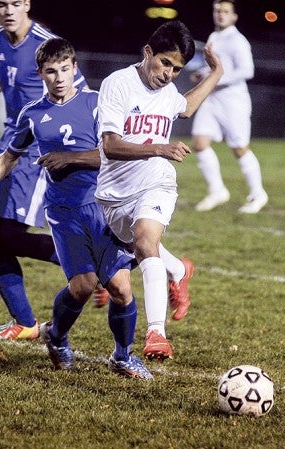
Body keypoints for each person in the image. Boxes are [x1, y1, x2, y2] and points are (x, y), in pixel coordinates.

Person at [0, 37, 153, 380]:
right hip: (64, 211)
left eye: (65, 70)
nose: (59, 77)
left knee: (120, 288)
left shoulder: (97, 104)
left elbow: (115, 152)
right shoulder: (33, 114)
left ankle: (123, 356)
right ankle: (55, 337)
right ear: (40, 73)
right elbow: (6, 159)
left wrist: (69, 158)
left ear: (75, 69)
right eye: (51, 71)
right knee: (83, 286)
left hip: (103, 207)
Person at [0, 0, 108, 341]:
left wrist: (77, 151)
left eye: (15, 3)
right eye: (1, 4)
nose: (8, 10)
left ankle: (92, 266)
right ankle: (26, 323)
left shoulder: (46, 44)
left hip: (37, 149)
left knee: (5, 235)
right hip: (10, 140)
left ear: (27, 4)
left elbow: (82, 96)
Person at [95, 20, 223, 361]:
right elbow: (110, 146)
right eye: (165, 62)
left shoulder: (168, 94)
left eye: (177, 69)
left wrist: (217, 72)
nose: (169, 74)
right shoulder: (118, 84)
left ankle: (156, 334)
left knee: (145, 242)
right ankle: (179, 270)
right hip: (114, 193)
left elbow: (187, 106)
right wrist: (158, 147)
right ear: (147, 52)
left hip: (157, 182)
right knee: (137, 245)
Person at [190, 0, 268, 213]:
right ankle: (217, 191)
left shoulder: (238, 40)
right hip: (212, 99)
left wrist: (215, 79)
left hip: (234, 101)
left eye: (225, 12)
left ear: (234, 17)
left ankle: (258, 194)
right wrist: (203, 75)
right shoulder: (214, 37)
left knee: (239, 148)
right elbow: (213, 67)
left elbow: (247, 71)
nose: (220, 15)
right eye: (217, 11)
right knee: (199, 142)